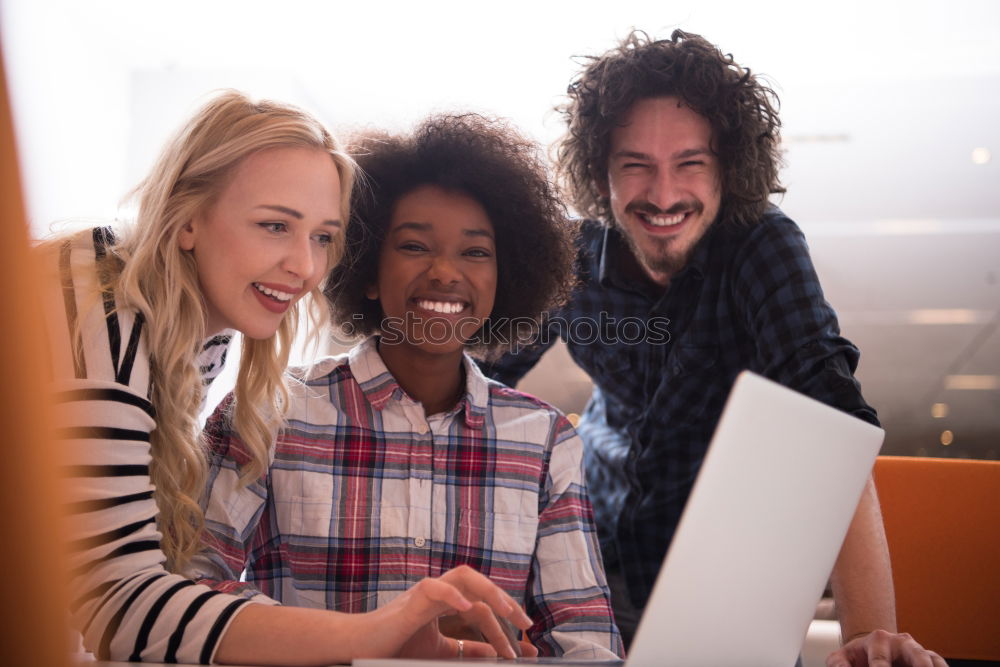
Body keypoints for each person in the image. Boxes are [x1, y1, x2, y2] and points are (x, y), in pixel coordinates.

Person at [481, 30, 946, 667]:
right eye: (635, 164)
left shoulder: (763, 247)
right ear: (599, 172)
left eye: (691, 163)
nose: (664, 194)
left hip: (728, 583)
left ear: (729, 168)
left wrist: (870, 638)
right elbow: (468, 375)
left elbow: (833, 432)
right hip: (591, 568)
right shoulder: (575, 255)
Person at [43, 91, 532, 665]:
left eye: (323, 237)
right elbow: (116, 606)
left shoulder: (200, 334)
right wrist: (376, 632)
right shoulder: (97, 317)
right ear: (187, 219)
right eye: (275, 226)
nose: (306, 268)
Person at [188, 113, 624, 660]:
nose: (445, 271)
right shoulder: (268, 409)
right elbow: (192, 590)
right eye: (415, 246)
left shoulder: (545, 441)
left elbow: (585, 642)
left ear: (504, 279)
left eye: (476, 252)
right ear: (367, 269)